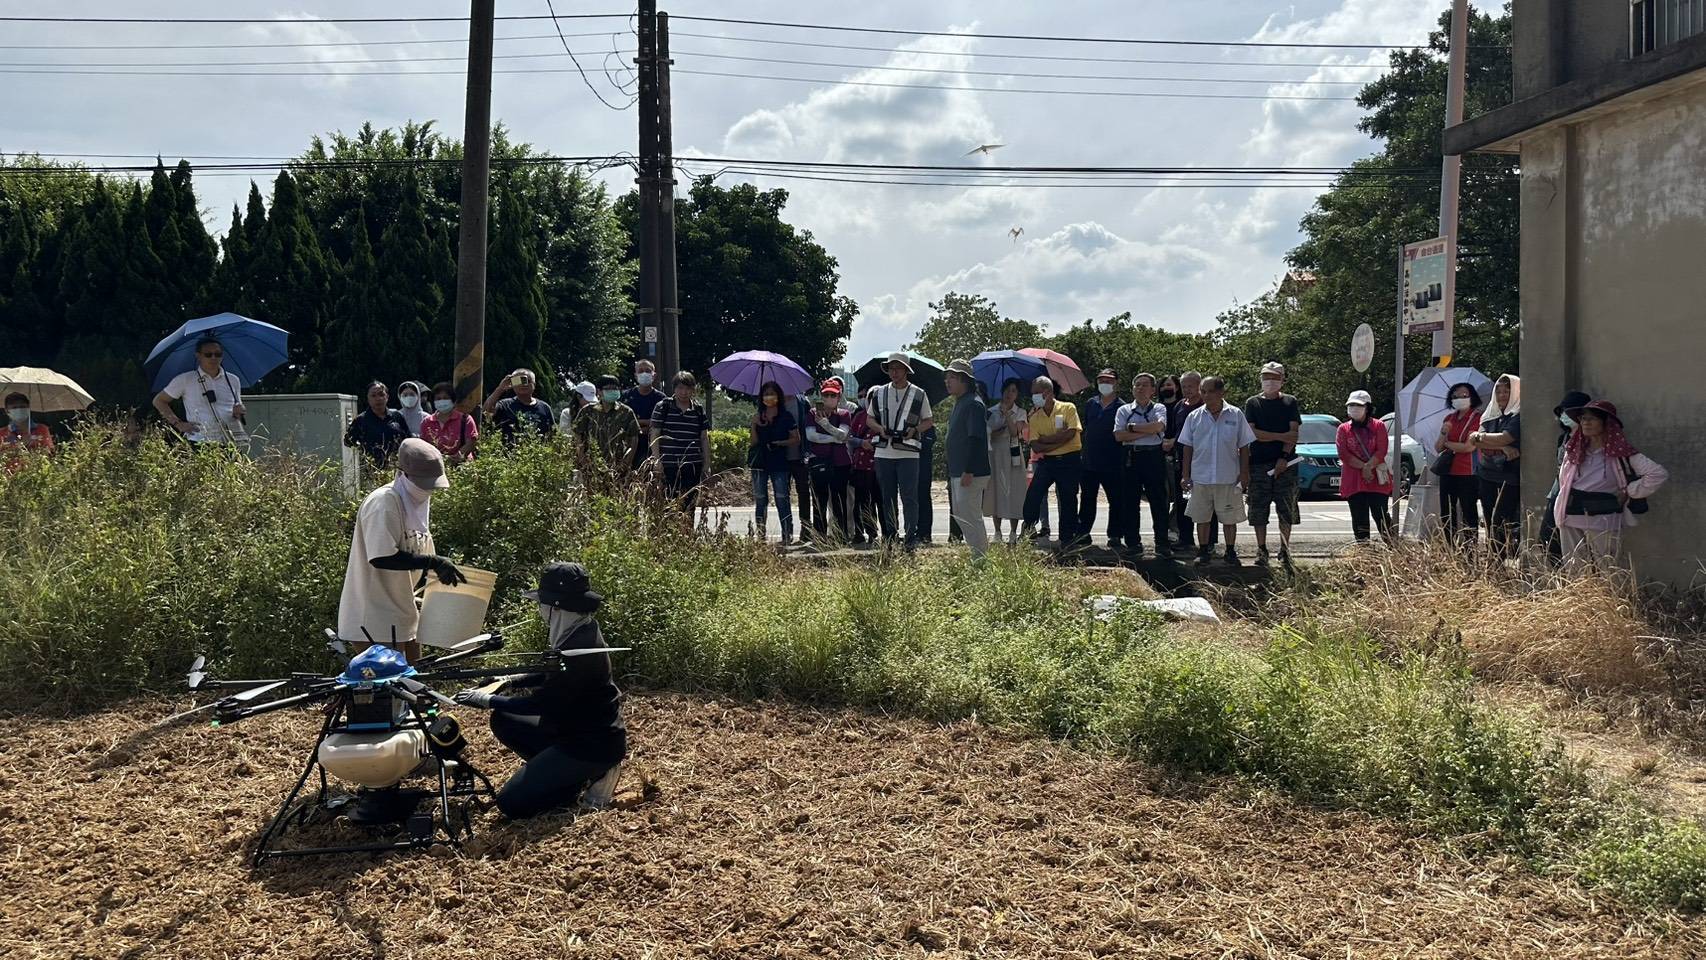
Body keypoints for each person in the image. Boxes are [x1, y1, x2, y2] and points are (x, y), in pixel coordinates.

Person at [453, 562, 625, 818]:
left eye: (542, 603)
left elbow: (539, 705)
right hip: (572, 728)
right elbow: (550, 673)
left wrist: (488, 699)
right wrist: (510, 680)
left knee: (510, 804)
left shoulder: (579, 651)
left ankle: (589, 775)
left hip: (590, 745)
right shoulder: (579, 630)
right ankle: (562, 776)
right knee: (504, 720)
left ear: (557, 607)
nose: (540, 609)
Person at [338, 438, 466, 663]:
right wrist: (432, 562)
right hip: (374, 617)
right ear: (404, 474)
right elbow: (382, 557)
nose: (428, 490)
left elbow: (417, 551)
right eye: (423, 483)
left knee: (416, 678)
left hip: (402, 610)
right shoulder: (384, 503)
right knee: (389, 682)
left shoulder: (416, 503)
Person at [1554, 400, 1669, 574]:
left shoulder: (1621, 453)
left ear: (1606, 423)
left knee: (1610, 568)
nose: (1586, 422)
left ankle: (1612, 593)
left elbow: (1658, 474)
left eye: (1592, 418)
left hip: (1604, 518)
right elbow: (1564, 481)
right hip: (1571, 515)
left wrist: (1630, 490)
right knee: (1574, 569)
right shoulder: (1574, 450)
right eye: (1583, 418)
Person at [1179, 376, 1254, 566]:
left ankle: (1230, 551)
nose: (1206, 395)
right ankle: (1203, 551)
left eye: (1210, 391)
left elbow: (1244, 446)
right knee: (1201, 517)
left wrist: (1244, 473)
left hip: (1228, 475)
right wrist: (1185, 475)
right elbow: (1187, 446)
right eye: (1203, 391)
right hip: (1200, 476)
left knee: (1229, 518)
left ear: (1221, 392)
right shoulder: (1194, 416)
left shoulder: (1235, 414)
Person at [866, 353, 934, 549]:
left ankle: (910, 536)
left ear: (906, 370)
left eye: (898, 368)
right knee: (887, 498)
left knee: (909, 497)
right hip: (884, 452)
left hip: (909, 453)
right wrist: (880, 429)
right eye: (891, 368)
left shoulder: (919, 393)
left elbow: (929, 420)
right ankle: (890, 535)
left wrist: (915, 430)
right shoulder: (879, 393)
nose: (894, 372)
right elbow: (869, 419)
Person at [1243, 362, 1302, 566]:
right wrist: (1280, 435)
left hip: (1286, 464)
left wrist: (1283, 457)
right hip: (1258, 464)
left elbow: (1293, 434)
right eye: (1266, 377)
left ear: (1282, 380)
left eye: (1275, 377)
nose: (1270, 381)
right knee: (1258, 509)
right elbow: (1252, 433)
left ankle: (1285, 549)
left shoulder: (1290, 402)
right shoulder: (1252, 403)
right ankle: (1261, 549)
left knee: (1286, 508)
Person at [1113, 373, 1171, 557]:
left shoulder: (1159, 408)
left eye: (1145, 385)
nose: (1140, 388)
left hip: (1153, 456)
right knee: (1130, 502)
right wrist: (1148, 431)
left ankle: (1162, 543)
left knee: (1158, 501)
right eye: (1137, 385)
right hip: (1131, 456)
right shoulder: (1123, 410)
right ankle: (1133, 543)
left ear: (1153, 390)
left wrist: (1132, 428)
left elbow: (1159, 427)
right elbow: (1119, 436)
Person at [1023, 376, 1083, 549]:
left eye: (1036, 392)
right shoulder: (1035, 417)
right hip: (1048, 462)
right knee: (1033, 494)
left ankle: (1067, 538)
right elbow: (1035, 445)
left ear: (1048, 392)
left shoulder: (1068, 408)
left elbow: (1071, 433)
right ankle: (1028, 531)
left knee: (1068, 498)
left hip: (1069, 460)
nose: (1034, 396)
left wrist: (1046, 440)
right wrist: (1057, 441)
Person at [152, 336, 248, 445]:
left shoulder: (233, 380)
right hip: (200, 440)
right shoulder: (185, 379)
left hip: (231, 440)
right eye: (208, 354)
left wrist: (240, 411)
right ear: (198, 356)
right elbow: (158, 401)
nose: (213, 358)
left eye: (218, 354)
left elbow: (238, 407)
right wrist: (178, 424)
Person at [1471, 374, 1522, 559]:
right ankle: (1494, 562)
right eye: (1498, 391)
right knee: (1488, 518)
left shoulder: (1518, 414)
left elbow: (1505, 437)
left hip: (1509, 476)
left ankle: (1501, 557)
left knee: (1500, 520)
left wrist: (1483, 438)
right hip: (1487, 473)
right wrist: (1502, 447)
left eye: (1506, 392)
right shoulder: (1490, 413)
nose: (1501, 395)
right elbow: (1474, 441)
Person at [943, 360, 991, 558]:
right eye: (947, 377)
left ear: (964, 380)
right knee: (962, 515)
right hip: (958, 470)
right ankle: (977, 556)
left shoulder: (973, 404)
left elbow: (976, 439)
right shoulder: (961, 402)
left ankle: (981, 558)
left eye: (952, 377)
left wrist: (969, 470)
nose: (947, 381)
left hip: (970, 472)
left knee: (970, 516)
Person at [1538, 390, 1591, 563]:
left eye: (1568, 412)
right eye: (1562, 412)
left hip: (1578, 494)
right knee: (1547, 538)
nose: (1564, 416)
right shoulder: (1564, 438)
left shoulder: (1591, 439)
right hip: (1558, 492)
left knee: (1578, 544)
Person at [1078, 368, 1127, 552]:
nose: (1104, 383)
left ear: (1116, 383)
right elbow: (1087, 426)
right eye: (1101, 380)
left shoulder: (1122, 407)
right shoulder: (1091, 403)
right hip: (1089, 461)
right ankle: (1083, 532)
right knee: (1087, 499)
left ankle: (1115, 534)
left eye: (1109, 380)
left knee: (1116, 500)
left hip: (1113, 461)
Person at [1337, 391, 1394, 543]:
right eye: (1351, 405)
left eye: (1358, 405)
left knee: (1381, 515)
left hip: (1376, 478)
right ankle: (1363, 550)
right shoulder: (1343, 429)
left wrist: (1368, 467)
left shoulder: (1378, 426)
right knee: (1359, 517)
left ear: (1367, 408)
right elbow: (1343, 454)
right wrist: (1364, 467)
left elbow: (1381, 450)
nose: (1354, 408)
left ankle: (1394, 547)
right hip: (1353, 480)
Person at [650, 371, 711, 512]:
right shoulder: (663, 406)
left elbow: (704, 437)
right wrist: (656, 460)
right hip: (669, 464)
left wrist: (707, 464)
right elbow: (655, 434)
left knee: (689, 506)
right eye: (680, 388)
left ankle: (687, 527)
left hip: (692, 465)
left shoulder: (698, 409)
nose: (684, 392)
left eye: (688, 388)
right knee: (669, 505)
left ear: (693, 389)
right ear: (674, 389)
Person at [750, 381, 801, 544]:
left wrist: (780, 443)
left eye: (772, 393)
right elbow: (753, 442)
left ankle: (787, 534)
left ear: (778, 396)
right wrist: (754, 425)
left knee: (782, 498)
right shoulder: (758, 415)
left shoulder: (786, 416)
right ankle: (760, 536)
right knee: (760, 499)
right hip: (759, 462)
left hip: (779, 462)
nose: (769, 397)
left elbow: (796, 439)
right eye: (766, 394)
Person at [1435, 382, 1483, 548]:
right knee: (1447, 511)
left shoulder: (1477, 418)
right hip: (1448, 471)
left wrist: (1448, 444)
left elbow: (1469, 447)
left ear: (1471, 397)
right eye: (1455, 396)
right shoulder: (1449, 418)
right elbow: (1438, 447)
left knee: (1468, 510)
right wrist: (1444, 433)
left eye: (1464, 395)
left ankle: (1470, 549)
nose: (1459, 399)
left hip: (1468, 471)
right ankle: (1450, 547)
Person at [804, 380, 853, 541]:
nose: (829, 398)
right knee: (819, 501)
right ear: (821, 396)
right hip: (818, 461)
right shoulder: (812, 413)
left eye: (833, 395)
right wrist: (835, 438)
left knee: (839, 500)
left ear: (839, 397)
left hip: (841, 463)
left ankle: (840, 535)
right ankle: (820, 536)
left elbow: (843, 435)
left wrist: (825, 425)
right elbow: (811, 436)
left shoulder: (844, 414)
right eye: (826, 395)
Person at [985, 378, 1030, 545]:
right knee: (995, 489)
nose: (1009, 394)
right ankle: (997, 531)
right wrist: (998, 428)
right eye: (1007, 390)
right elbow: (989, 433)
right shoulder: (991, 411)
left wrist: (1007, 416)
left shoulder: (1021, 412)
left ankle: (1013, 532)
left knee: (1014, 490)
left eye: (1013, 391)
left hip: (1013, 453)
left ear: (1017, 394)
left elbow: (1014, 432)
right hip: (995, 453)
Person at [573, 375, 644, 469]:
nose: (612, 391)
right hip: (591, 465)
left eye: (615, 388)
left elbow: (634, 438)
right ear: (599, 391)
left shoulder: (626, 412)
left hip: (617, 466)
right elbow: (578, 435)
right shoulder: (588, 411)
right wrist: (582, 460)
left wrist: (626, 463)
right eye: (608, 388)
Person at [343, 380, 413, 469]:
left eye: (381, 394)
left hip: (397, 467)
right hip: (372, 469)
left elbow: (408, 439)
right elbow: (348, 441)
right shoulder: (361, 420)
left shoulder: (397, 416)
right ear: (368, 398)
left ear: (387, 397)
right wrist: (363, 451)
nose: (378, 398)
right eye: (373, 395)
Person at [483, 367, 554, 444]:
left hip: (538, 450)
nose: (524, 384)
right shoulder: (504, 405)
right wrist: (500, 388)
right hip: (510, 451)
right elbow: (486, 412)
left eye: (527, 380)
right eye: (519, 381)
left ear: (534, 385)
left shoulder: (545, 408)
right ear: (513, 384)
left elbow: (553, 435)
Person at [847, 387, 881, 544]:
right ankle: (860, 532)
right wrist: (862, 442)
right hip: (861, 466)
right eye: (869, 397)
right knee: (861, 502)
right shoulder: (859, 416)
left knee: (880, 501)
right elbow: (849, 438)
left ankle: (884, 532)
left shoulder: (886, 417)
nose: (872, 400)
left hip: (880, 466)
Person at [420, 382, 478, 464]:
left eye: (445, 398)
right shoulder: (427, 422)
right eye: (438, 399)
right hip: (434, 465)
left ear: (453, 401)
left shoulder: (465, 420)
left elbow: (471, 443)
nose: (442, 401)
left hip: (462, 466)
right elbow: (423, 446)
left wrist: (454, 458)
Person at [623, 359, 665, 471]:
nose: (644, 373)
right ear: (635, 375)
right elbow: (623, 423)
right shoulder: (626, 397)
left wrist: (637, 424)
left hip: (653, 450)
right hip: (629, 449)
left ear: (654, 375)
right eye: (640, 371)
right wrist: (646, 423)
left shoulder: (661, 399)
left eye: (648, 371)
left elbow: (662, 425)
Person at [785, 391, 816, 540]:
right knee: (782, 495)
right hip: (780, 457)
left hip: (801, 455)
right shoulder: (773, 400)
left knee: (803, 492)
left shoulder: (803, 402)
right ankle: (787, 530)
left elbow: (810, 425)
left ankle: (806, 528)